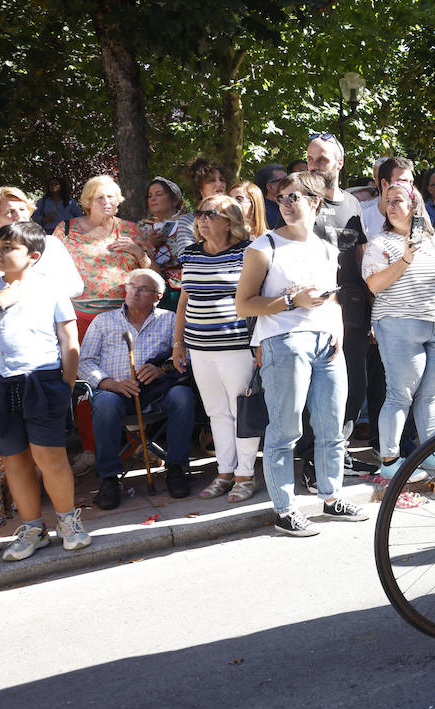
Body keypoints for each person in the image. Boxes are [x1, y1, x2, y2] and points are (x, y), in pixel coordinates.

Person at [235, 170, 367, 536]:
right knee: (285, 430)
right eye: (282, 198)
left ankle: (332, 496)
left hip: (326, 343)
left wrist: (337, 327)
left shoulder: (326, 247)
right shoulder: (264, 247)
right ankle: (285, 509)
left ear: (315, 202)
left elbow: (334, 296)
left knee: (330, 425)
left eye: (295, 197)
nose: (287, 205)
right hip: (285, 342)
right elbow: (244, 305)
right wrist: (292, 300)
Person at [0, 222, 87, 560]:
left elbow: (69, 339)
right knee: (14, 459)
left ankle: (68, 521)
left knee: (49, 456)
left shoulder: (49, 288)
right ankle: (32, 528)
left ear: (33, 256)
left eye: (8, 247)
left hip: (41, 381)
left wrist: (66, 383)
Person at [361, 182, 435, 482]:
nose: (392, 206)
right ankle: (391, 459)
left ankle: (431, 451)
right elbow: (374, 285)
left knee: (432, 394)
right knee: (400, 394)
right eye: (387, 201)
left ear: (414, 206)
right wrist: (405, 258)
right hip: (398, 324)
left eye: (398, 201)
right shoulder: (380, 244)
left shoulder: (433, 242)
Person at [79, 268, 197, 507]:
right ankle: (109, 479)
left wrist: (162, 369)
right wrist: (110, 383)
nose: (134, 292)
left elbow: (190, 355)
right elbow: (85, 361)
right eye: (131, 286)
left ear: (158, 296)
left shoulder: (171, 319)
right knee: (104, 403)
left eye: (142, 289)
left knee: (183, 396)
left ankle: (176, 467)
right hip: (115, 392)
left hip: (158, 392)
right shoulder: (104, 320)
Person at [173, 194, 258, 502]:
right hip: (199, 349)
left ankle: (245, 475)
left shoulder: (247, 253)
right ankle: (224, 471)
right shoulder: (191, 253)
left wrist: (259, 344)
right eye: (200, 213)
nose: (203, 219)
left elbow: (256, 301)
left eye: (211, 214)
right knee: (216, 413)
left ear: (229, 221)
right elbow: (184, 300)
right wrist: (178, 343)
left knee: (242, 412)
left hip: (235, 346)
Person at [305, 133, 374, 469]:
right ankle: (314, 459)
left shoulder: (352, 204)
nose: (315, 165)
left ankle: (340, 450)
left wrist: (373, 309)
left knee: (355, 385)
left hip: (354, 309)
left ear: (339, 163)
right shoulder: (301, 202)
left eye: (322, 159)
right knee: (319, 388)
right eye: (310, 159)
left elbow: (360, 257)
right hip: (313, 312)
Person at [59, 175, 157, 335]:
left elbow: (155, 274)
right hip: (77, 316)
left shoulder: (131, 230)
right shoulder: (66, 230)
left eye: (110, 196)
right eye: (99, 197)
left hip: (123, 317)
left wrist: (138, 253)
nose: (106, 201)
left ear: (118, 200)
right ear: (88, 202)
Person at [0, 187, 83, 299]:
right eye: (10, 212)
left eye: (22, 209)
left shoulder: (51, 244)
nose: (19, 216)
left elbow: (75, 287)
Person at [140, 176, 190, 310]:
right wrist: (148, 244)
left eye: (159, 194)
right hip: (149, 289)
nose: (153, 198)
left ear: (175, 200)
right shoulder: (142, 227)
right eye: (150, 196)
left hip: (180, 290)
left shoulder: (189, 223)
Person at [253, 163, 287, 229]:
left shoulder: (287, 205)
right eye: (285, 180)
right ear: (270, 187)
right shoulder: (263, 213)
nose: (290, 182)